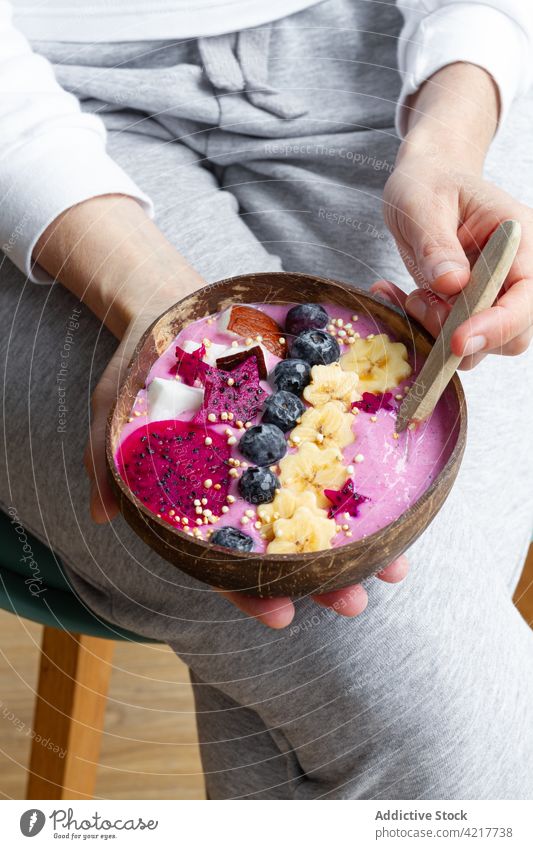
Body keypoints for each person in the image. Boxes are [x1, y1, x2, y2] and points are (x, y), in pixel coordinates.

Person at [1, 0, 533, 799]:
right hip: (35, 113)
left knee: (421, 676)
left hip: (384, 51)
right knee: (433, 701)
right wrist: (161, 309)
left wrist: (452, 122)